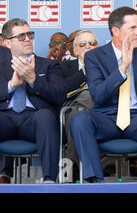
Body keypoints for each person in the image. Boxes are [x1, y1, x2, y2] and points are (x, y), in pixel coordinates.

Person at [69, 6, 137, 183]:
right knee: (79, 119)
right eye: (132, 28)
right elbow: (98, 96)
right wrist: (122, 68)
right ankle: (94, 181)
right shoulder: (95, 56)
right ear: (115, 31)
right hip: (106, 118)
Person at [0, 18, 65, 183]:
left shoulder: (49, 66)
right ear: (7, 43)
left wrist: (33, 80)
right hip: (5, 120)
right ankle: (4, 172)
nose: (27, 39)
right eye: (21, 36)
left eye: (29, 34)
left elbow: (60, 95)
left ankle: (49, 181)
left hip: (34, 120)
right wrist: (10, 85)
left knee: (46, 116)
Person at [60, 30, 98, 182]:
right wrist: (84, 70)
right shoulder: (63, 67)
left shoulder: (108, 67)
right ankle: (84, 171)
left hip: (99, 110)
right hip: (71, 107)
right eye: (82, 44)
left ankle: (69, 170)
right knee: (76, 113)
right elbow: (62, 91)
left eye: (92, 43)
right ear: (74, 50)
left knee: (79, 111)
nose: (88, 46)